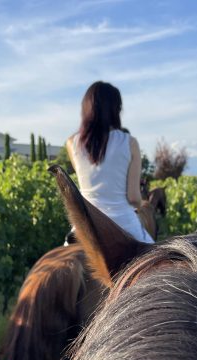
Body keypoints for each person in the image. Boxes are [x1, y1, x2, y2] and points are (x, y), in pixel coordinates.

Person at [66, 81, 154, 244]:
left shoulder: (72, 143)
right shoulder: (130, 143)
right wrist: (142, 203)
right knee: (157, 264)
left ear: (85, 108)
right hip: (124, 225)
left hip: (85, 227)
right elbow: (133, 198)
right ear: (116, 110)